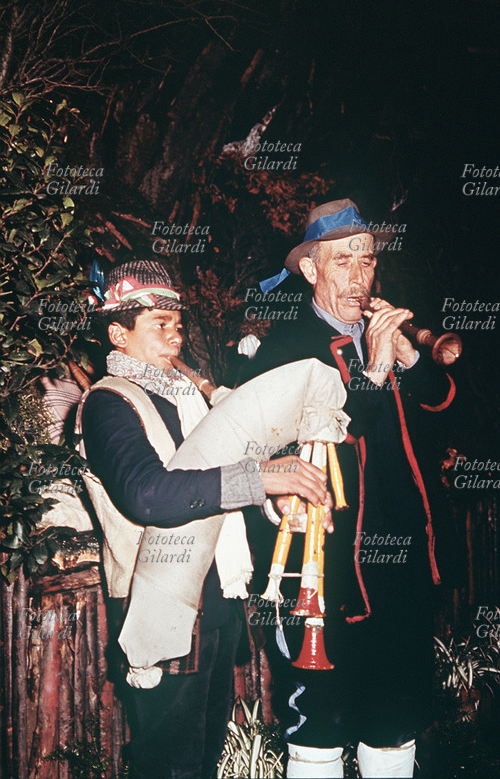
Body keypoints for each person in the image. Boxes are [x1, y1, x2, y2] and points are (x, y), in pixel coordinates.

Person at [78, 260, 328, 779]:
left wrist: (275, 503)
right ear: (117, 334)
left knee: (203, 759)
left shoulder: (187, 398)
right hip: (160, 607)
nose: (175, 338)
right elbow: (149, 496)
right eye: (158, 326)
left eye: (177, 325)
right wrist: (260, 478)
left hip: (215, 606)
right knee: (170, 765)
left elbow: (216, 489)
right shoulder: (107, 404)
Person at [240, 199, 456, 778]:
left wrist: (410, 359)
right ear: (311, 270)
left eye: (367, 263)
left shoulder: (388, 338)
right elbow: (319, 438)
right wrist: (373, 370)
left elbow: (452, 421)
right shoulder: (285, 348)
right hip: (327, 573)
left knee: (393, 723)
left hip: (402, 570)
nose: (359, 278)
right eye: (343, 263)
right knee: (320, 726)